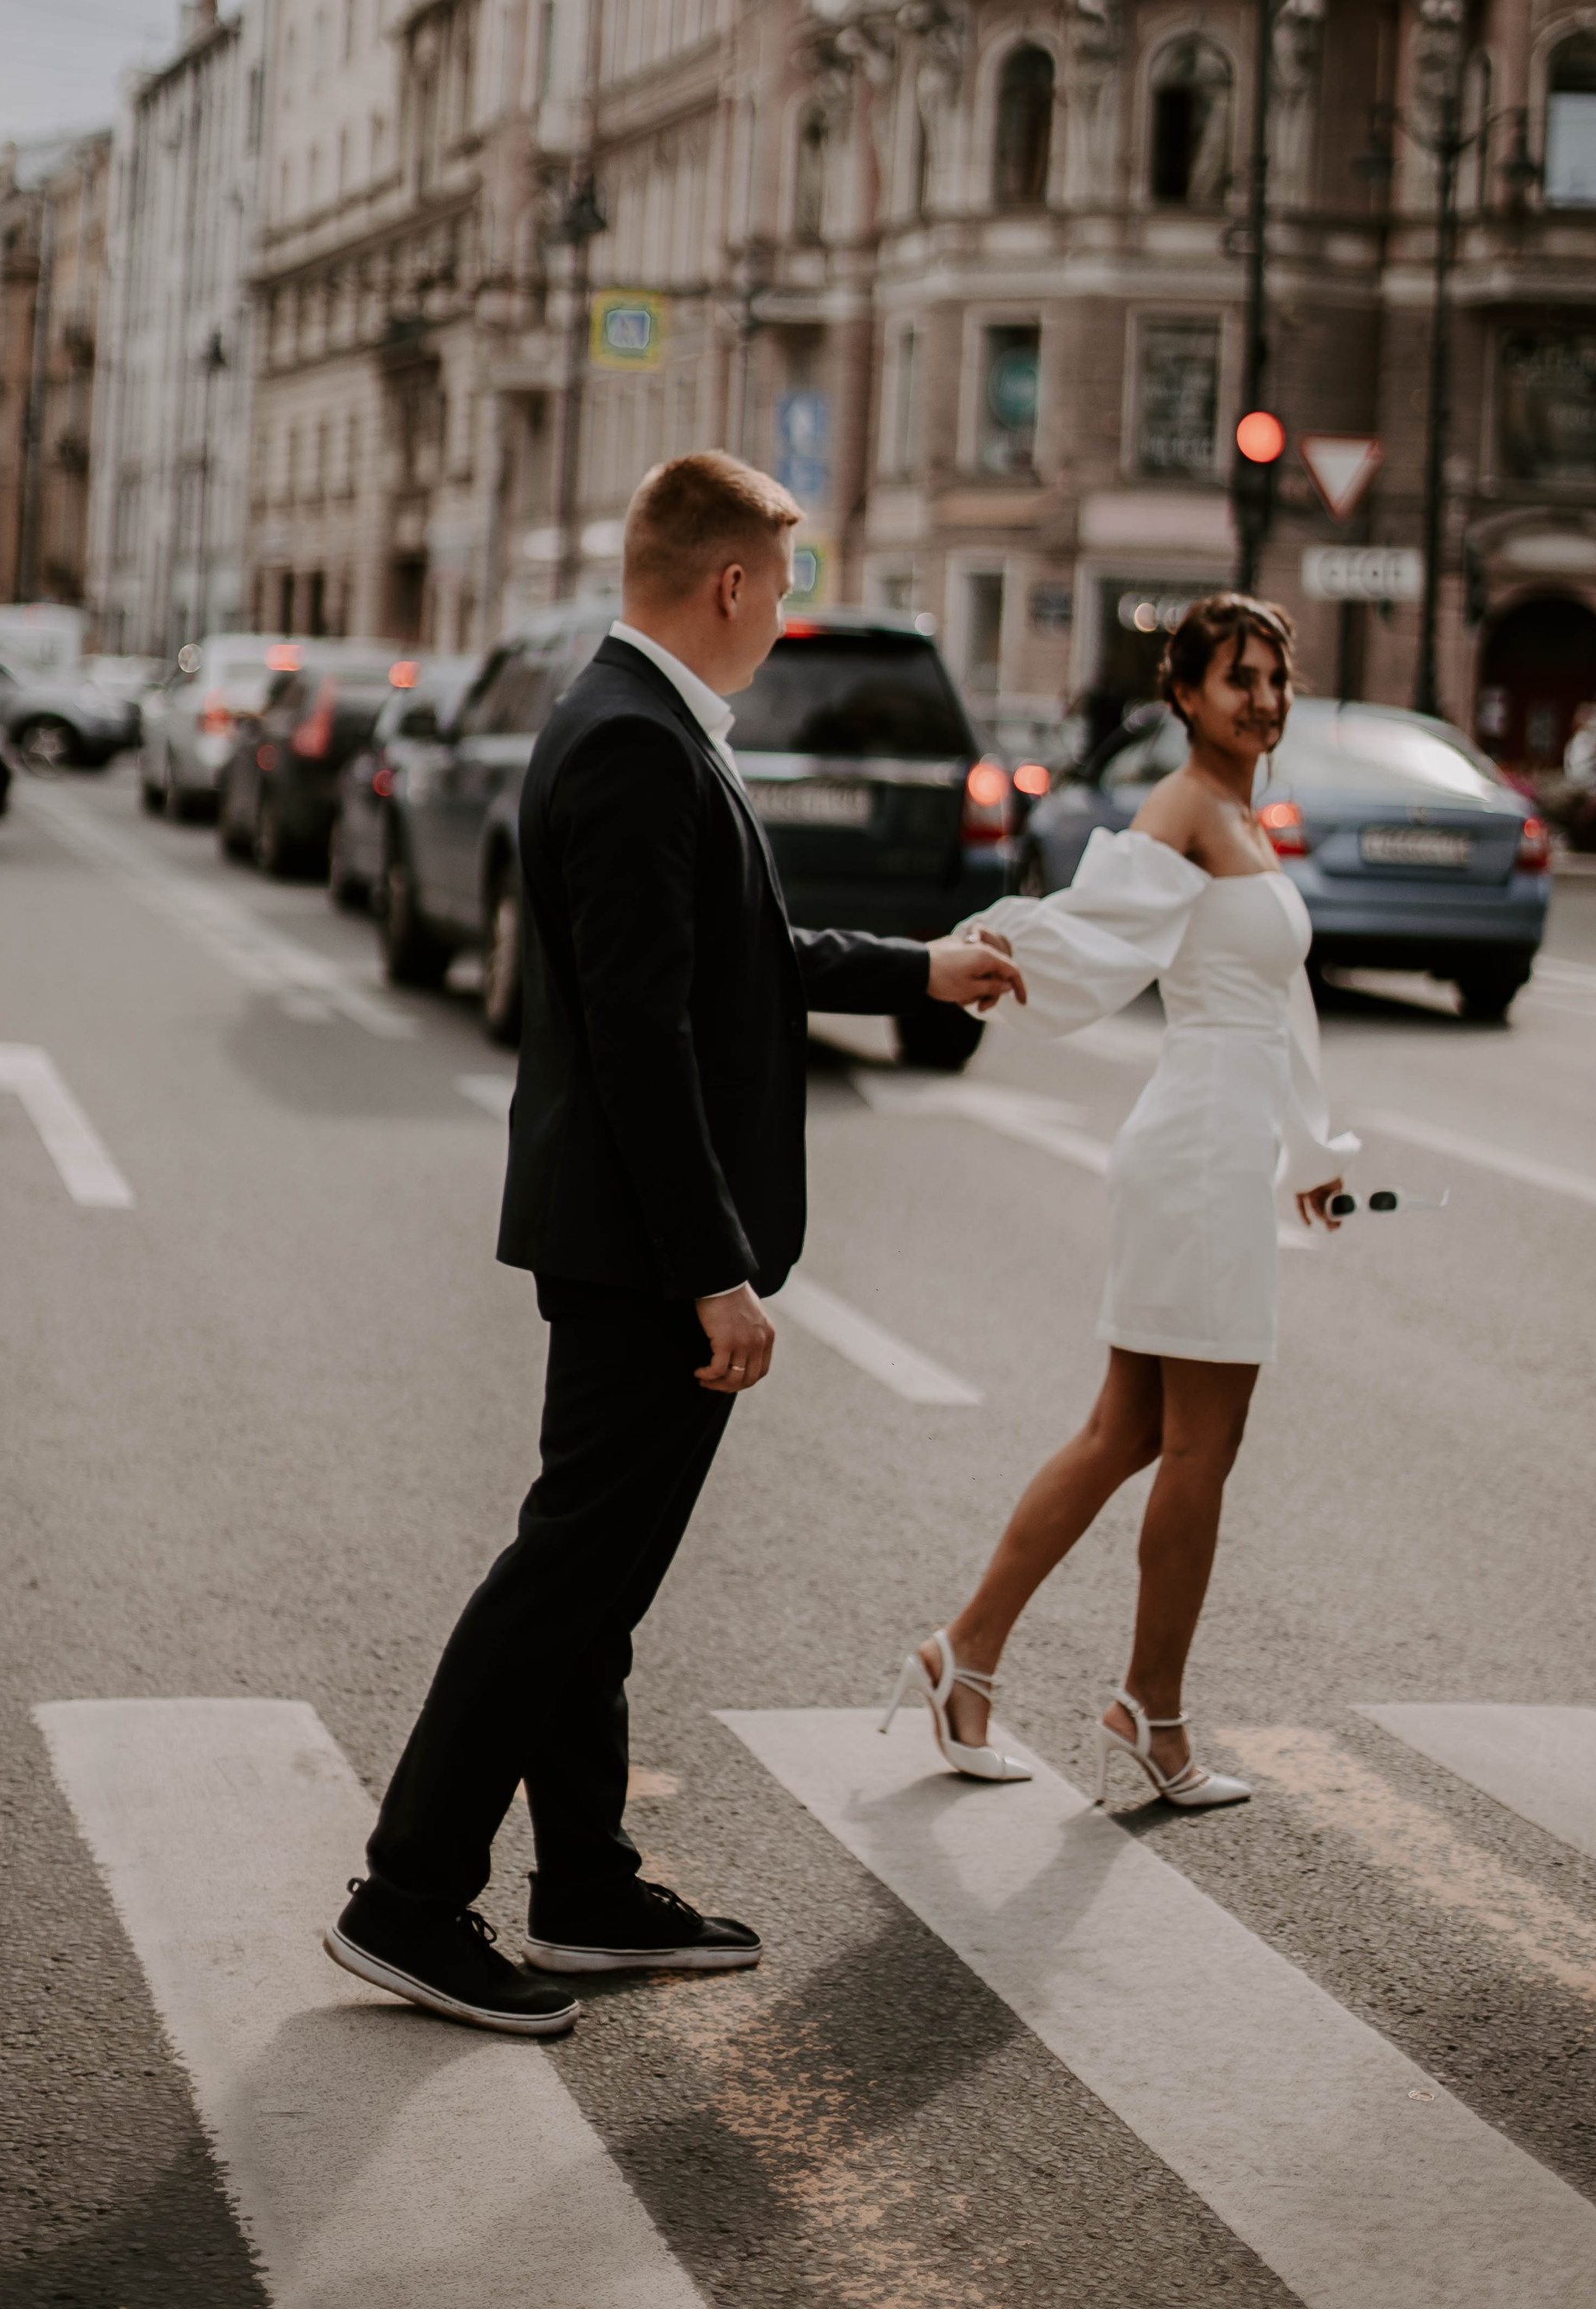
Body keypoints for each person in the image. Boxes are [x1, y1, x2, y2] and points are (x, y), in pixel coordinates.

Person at [329, 451, 1025, 2035]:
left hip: (623, 1234)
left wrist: (922, 969)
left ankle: (582, 1885)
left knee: (595, 1583)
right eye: (780, 586)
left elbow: (737, 957)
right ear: (727, 582)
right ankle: (406, 1896)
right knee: (563, 1576)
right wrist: (715, 1271)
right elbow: (643, 1038)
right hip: (643, 1250)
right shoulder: (638, 742)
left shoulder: (634, 720)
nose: (782, 615)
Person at [884, 592, 1355, 1810]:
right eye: (1240, 679)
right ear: (1186, 695)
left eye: (1276, 679)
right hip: (1200, 1154)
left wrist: (1314, 1151)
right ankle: (1152, 1713)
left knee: (1129, 1434)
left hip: (1219, 1145)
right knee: (1198, 1444)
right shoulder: (1186, 807)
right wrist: (992, 950)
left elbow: (1278, 1002)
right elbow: (1095, 929)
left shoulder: (1240, 815)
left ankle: (966, 1654)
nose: (1264, 700)